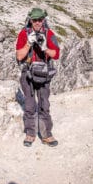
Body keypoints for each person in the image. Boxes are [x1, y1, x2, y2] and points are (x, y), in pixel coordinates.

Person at [15, 8, 60, 147]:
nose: (38, 23)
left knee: (44, 104)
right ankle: (30, 133)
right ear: (30, 20)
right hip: (27, 72)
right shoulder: (24, 34)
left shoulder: (49, 33)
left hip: (43, 72)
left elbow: (56, 55)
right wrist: (29, 43)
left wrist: (45, 47)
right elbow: (19, 56)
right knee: (29, 104)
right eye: (35, 20)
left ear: (44, 20)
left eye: (40, 20)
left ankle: (46, 134)